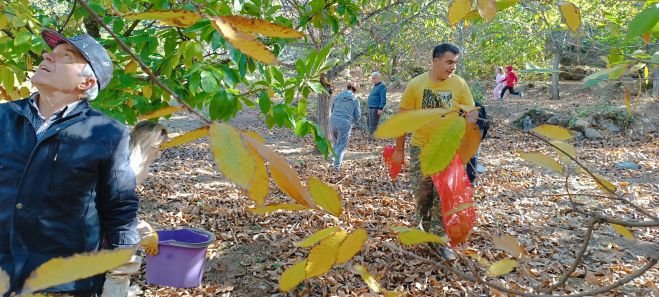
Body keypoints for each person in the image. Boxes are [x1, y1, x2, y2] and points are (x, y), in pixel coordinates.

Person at [0, 29, 139, 296]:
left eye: (65, 56)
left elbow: (119, 207)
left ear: (86, 83)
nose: (47, 56)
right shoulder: (3, 117)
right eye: (50, 52)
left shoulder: (107, 133)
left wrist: (119, 268)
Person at [390, 43, 477, 258]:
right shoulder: (416, 85)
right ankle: (427, 230)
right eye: (449, 62)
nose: (452, 67)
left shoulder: (460, 85)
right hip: (421, 150)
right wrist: (398, 150)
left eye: (455, 63)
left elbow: (472, 115)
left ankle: (441, 240)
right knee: (423, 198)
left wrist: (468, 141)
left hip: (449, 151)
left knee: (444, 197)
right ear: (435, 61)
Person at [329, 83, 361, 171]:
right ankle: (336, 168)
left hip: (333, 120)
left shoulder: (338, 96)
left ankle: (332, 162)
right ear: (354, 90)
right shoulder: (355, 99)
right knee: (341, 146)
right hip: (345, 122)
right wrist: (352, 122)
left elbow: (332, 109)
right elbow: (358, 116)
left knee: (335, 143)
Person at [366, 71, 387, 136]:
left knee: (373, 124)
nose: (372, 80)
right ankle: (370, 136)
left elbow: (383, 99)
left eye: (373, 78)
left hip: (376, 108)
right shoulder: (375, 86)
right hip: (370, 107)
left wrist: (380, 108)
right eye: (372, 78)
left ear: (378, 78)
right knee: (369, 123)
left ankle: (373, 138)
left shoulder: (382, 86)